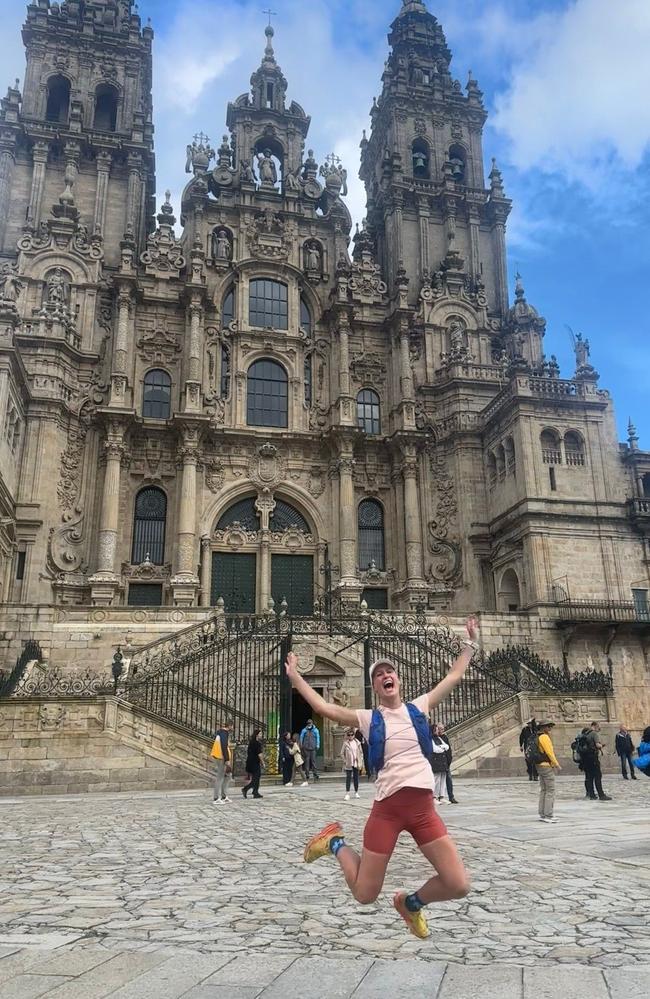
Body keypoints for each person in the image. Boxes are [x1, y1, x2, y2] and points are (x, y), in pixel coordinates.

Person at [285, 616, 479, 939]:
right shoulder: (368, 718)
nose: (385, 675)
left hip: (423, 812)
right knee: (364, 895)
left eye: (389, 672)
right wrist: (295, 678)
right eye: (378, 675)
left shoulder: (419, 708)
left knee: (458, 884)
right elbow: (324, 706)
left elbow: (455, 675)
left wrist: (470, 644)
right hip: (387, 811)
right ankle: (334, 843)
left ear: (398, 681)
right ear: (375, 687)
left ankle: (411, 904)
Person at [531, 721, 561, 823]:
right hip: (546, 766)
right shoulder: (544, 737)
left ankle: (542, 814)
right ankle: (548, 814)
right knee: (550, 790)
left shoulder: (537, 736)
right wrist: (556, 764)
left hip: (539, 765)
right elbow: (549, 752)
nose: (550, 728)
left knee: (544, 790)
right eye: (549, 726)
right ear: (544, 727)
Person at [583, 721, 612, 801]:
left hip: (586, 758)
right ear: (595, 726)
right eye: (599, 726)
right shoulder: (594, 734)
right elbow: (597, 745)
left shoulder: (586, 733)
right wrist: (602, 745)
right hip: (593, 757)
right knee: (597, 776)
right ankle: (601, 795)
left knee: (590, 776)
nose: (599, 728)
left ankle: (591, 794)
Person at [210, 719, 233, 804]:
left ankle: (224, 796)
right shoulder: (224, 733)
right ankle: (216, 798)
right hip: (221, 757)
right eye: (232, 726)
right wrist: (227, 759)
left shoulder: (223, 733)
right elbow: (224, 746)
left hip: (222, 757)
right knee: (220, 777)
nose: (232, 728)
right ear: (230, 726)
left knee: (228, 775)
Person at [437, 722, 457, 804]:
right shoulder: (435, 738)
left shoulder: (444, 737)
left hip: (445, 762)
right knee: (437, 780)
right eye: (440, 729)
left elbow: (448, 750)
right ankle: (437, 796)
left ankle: (451, 796)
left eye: (443, 729)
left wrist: (449, 760)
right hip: (438, 762)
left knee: (449, 780)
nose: (442, 730)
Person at [341, 728, 363, 801]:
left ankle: (356, 792)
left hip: (356, 763)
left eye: (352, 735)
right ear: (347, 736)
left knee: (356, 778)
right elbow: (341, 753)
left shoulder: (357, 743)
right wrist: (345, 761)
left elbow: (360, 752)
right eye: (349, 735)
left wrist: (360, 760)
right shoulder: (345, 743)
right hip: (349, 763)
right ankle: (347, 793)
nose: (350, 736)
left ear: (354, 735)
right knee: (348, 778)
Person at [242, 728, 264, 799]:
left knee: (256, 778)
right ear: (257, 735)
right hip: (254, 763)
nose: (261, 735)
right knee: (256, 778)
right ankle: (245, 789)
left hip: (250, 762)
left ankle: (255, 792)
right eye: (260, 734)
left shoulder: (251, 742)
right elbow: (259, 754)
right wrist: (263, 762)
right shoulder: (257, 743)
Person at [430, 723, 449, 804]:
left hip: (442, 761)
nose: (438, 731)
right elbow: (435, 749)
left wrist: (442, 747)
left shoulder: (439, 738)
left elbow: (447, 746)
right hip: (436, 761)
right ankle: (434, 796)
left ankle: (442, 796)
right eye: (437, 729)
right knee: (436, 779)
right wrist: (442, 747)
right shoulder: (431, 739)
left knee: (443, 779)